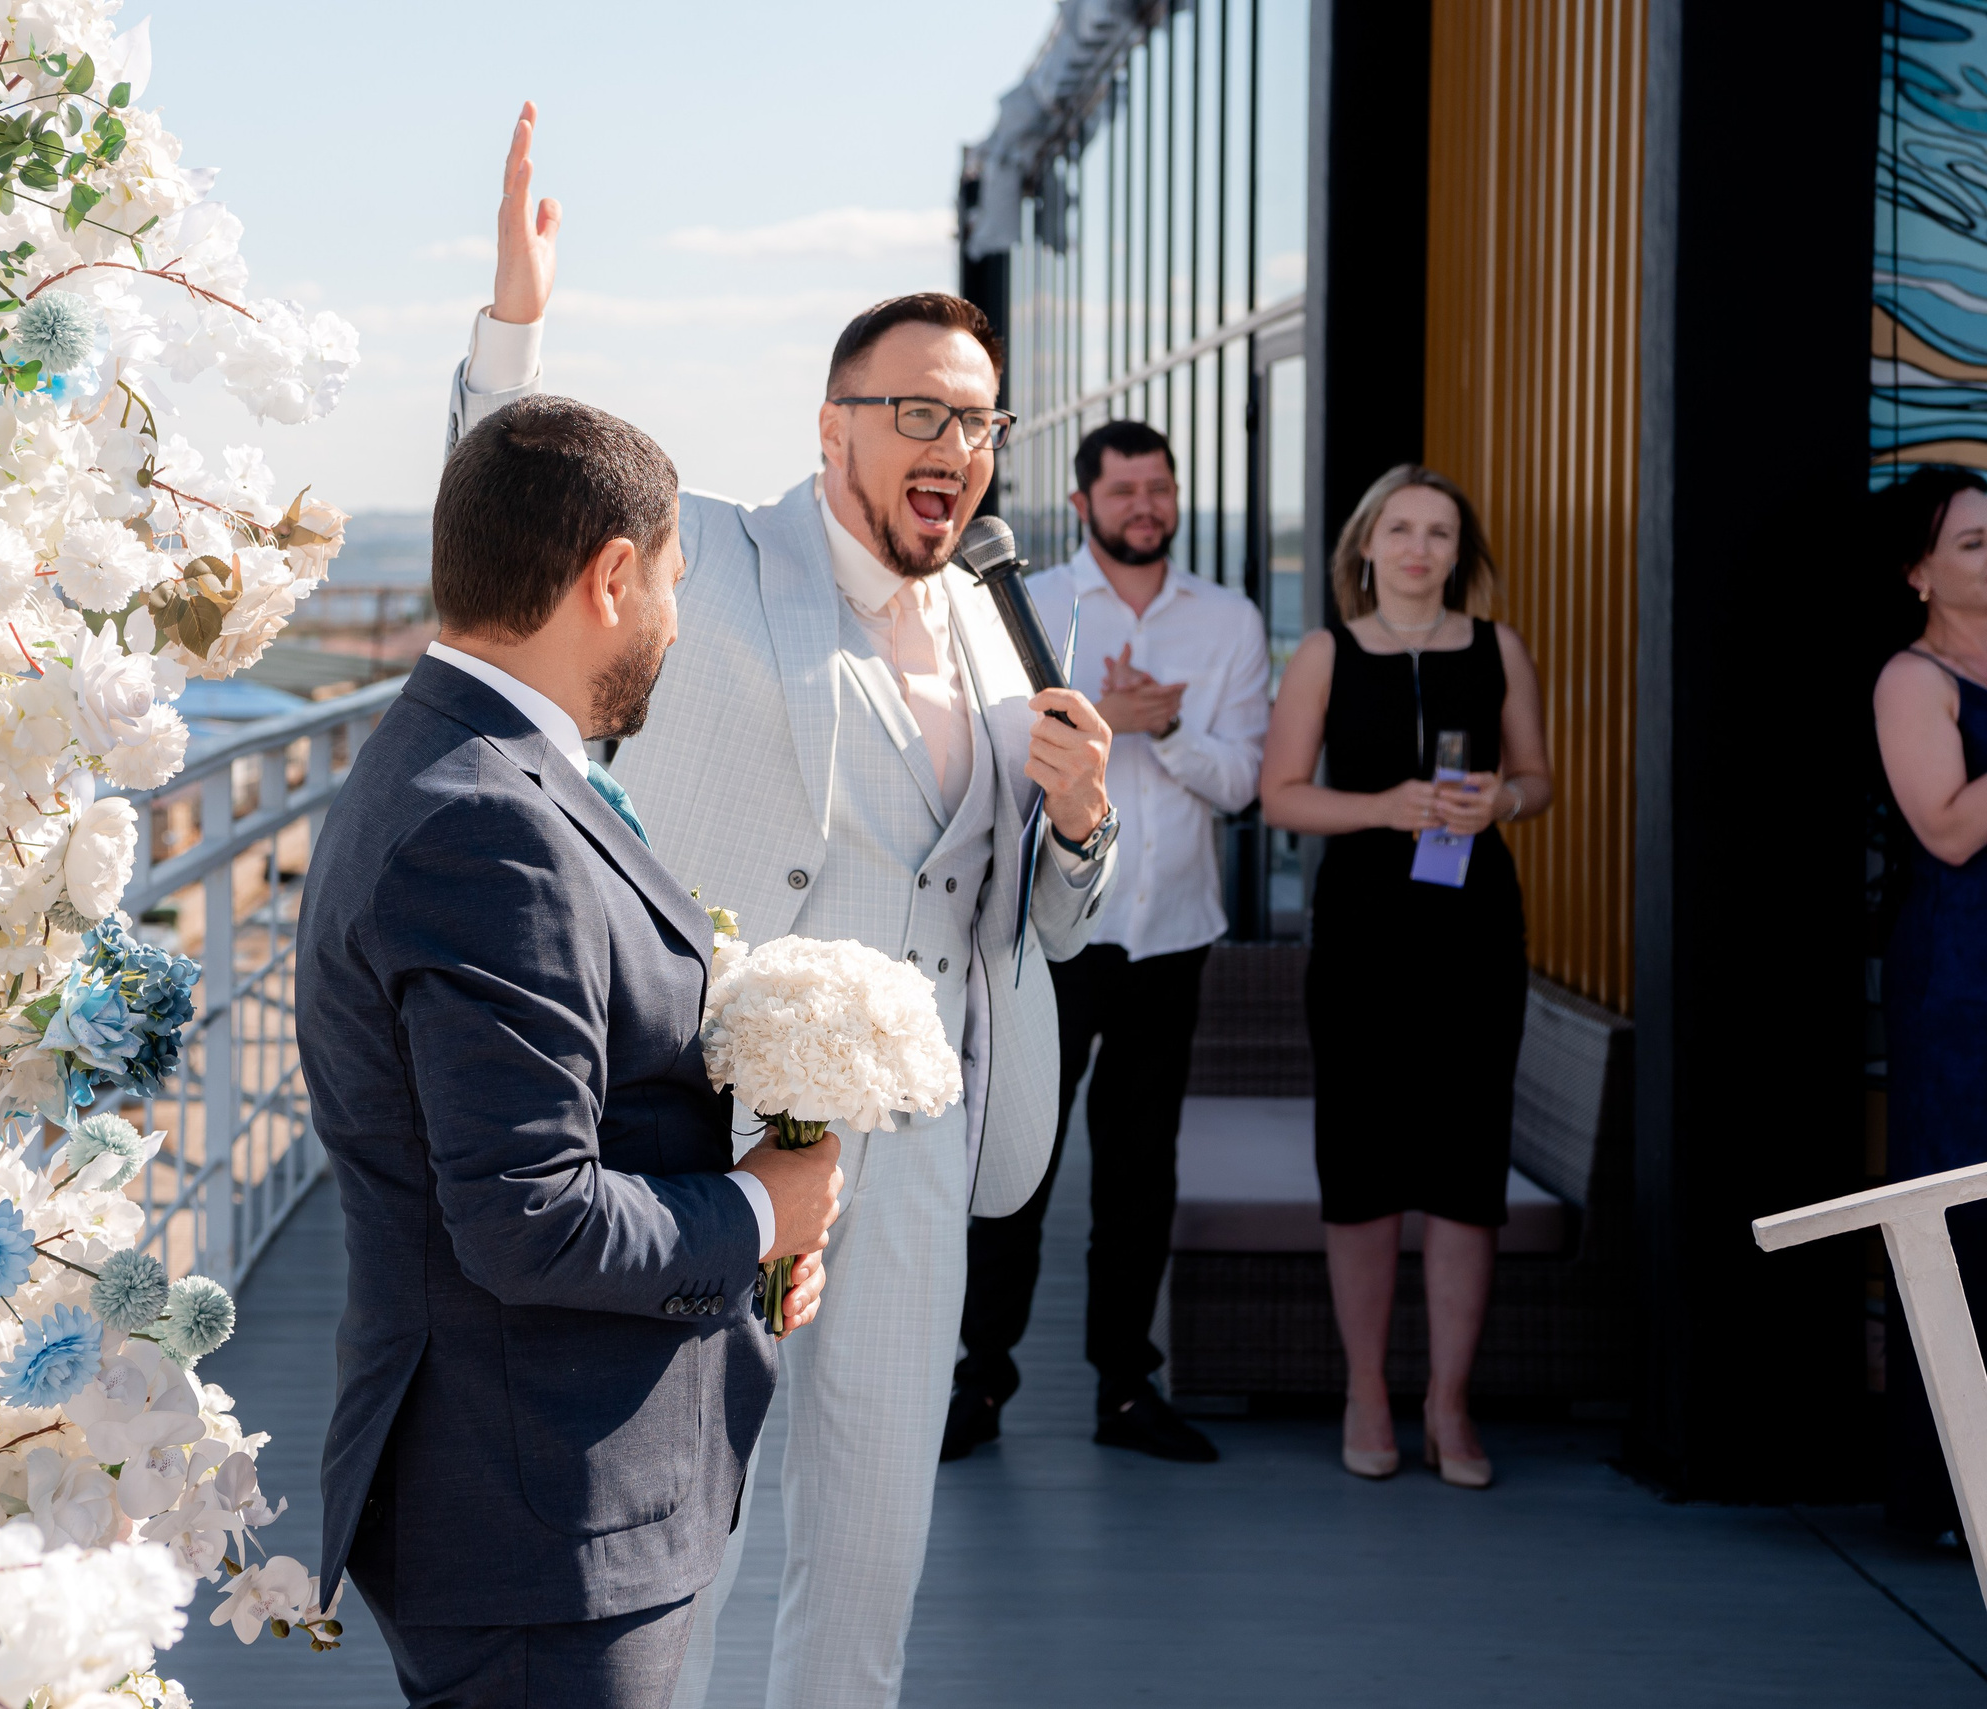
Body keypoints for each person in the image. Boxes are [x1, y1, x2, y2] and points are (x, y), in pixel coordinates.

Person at [448, 106, 1117, 1709]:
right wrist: (512, 325)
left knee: (876, 1533)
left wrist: (1081, 826)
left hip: (927, 1127)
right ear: (833, 430)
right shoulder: (725, 561)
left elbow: (1043, 917)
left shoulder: (1003, 622)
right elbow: (514, 517)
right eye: (914, 411)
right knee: (697, 1524)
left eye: (977, 418)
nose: (952, 442)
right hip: (719, 1129)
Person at [297, 391, 846, 1709]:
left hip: (529, 1494)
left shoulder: (472, 764)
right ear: (610, 575)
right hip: (539, 1516)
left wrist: (741, 1248)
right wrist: (760, 1211)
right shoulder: (487, 823)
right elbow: (527, 1216)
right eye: (668, 583)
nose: (672, 619)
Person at [943, 419, 1269, 1464]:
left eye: (1158, 487)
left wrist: (1159, 728)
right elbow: (995, 760)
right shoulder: (1030, 607)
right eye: (1123, 488)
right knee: (1020, 1159)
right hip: (1051, 932)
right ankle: (977, 1379)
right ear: (1083, 502)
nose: (1144, 505)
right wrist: (1108, 720)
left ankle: (1127, 1388)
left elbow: (1244, 781)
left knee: (1140, 1169)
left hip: (1170, 933)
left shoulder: (1228, 622)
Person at [1258, 464, 1552, 1490]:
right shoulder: (1325, 655)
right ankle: (1370, 1389)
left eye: (1439, 530)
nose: (1420, 547)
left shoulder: (1495, 646)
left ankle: (1450, 1400)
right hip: (1364, 933)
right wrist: (1388, 807)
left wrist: (1499, 806)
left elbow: (1537, 778)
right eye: (1401, 528)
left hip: (1475, 931)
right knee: (1364, 1157)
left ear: (1456, 551)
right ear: (1367, 545)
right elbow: (1281, 797)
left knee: (1468, 1165)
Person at [1871, 465, 1987, 1548]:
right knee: (1960, 1222)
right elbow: (1948, 829)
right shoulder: (1913, 680)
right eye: (1970, 544)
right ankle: (1947, 1493)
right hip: (1961, 974)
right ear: (1918, 574)